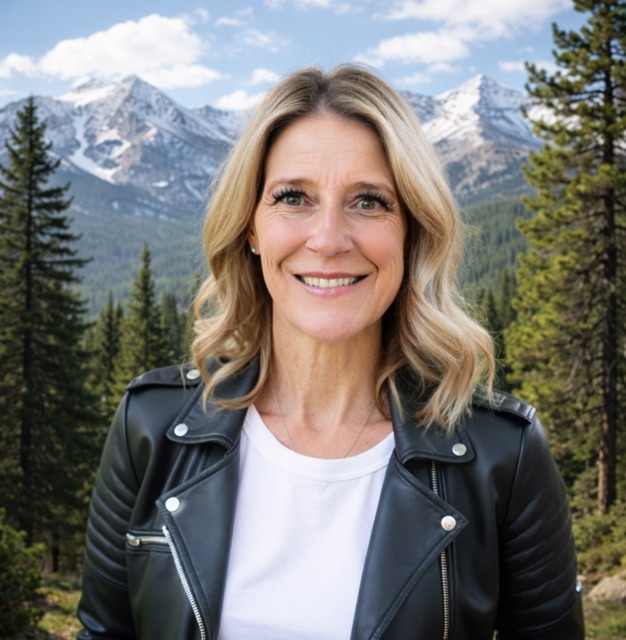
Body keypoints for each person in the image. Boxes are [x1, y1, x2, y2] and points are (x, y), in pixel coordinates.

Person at [76, 64, 584, 640]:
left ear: (412, 230)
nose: (328, 239)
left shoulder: (502, 455)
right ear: (250, 227)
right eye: (293, 198)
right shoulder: (152, 426)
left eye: (368, 202)